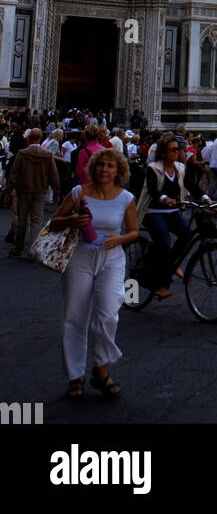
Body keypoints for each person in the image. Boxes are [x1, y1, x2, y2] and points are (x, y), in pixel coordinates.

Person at [49, 148, 138, 400]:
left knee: (108, 314)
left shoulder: (126, 197)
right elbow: (54, 222)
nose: (105, 169)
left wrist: (120, 238)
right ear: (94, 167)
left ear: (118, 170)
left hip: (112, 258)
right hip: (80, 257)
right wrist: (72, 220)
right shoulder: (79, 193)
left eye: (110, 166)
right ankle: (74, 376)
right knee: (74, 317)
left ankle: (100, 369)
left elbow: (134, 231)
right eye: (101, 165)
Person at [142, 135, 196, 299]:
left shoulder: (180, 168)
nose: (177, 152)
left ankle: (169, 265)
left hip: (172, 211)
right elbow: (152, 190)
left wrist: (206, 198)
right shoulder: (153, 168)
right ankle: (160, 285)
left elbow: (191, 185)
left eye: (178, 149)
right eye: (173, 149)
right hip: (153, 212)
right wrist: (164, 198)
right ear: (164, 153)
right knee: (164, 242)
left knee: (187, 234)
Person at [8, 129, 61, 257]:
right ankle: (33, 250)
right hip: (40, 190)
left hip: (24, 190)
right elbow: (54, 175)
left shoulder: (22, 154)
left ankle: (18, 248)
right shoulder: (47, 155)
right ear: (40, 138)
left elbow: (14, 174)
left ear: (29, 138)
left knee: (23, 220)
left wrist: (8, 190)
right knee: (37, 221)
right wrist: (56, 191)